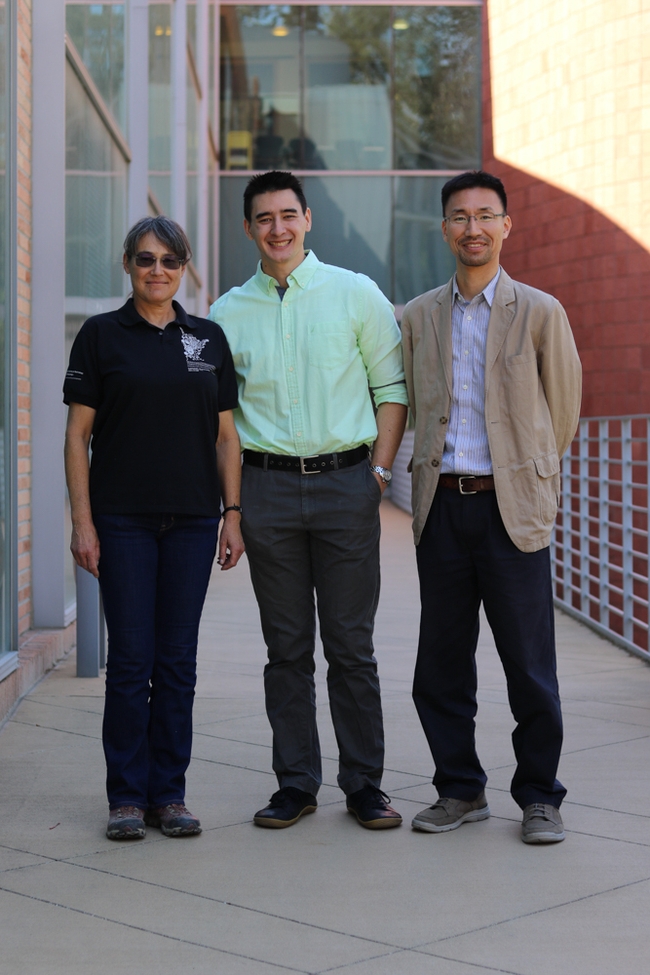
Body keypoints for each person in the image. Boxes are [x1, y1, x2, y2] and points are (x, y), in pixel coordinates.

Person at [209, 171, 408, 830]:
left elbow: (392, 390)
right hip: (266, 491)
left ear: (308, 219)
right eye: (264, 218)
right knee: (286, 649)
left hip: (346, 485)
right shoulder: (226, 314)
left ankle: (365, 785)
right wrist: (233, 509)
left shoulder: (356, 294)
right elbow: (223, 425)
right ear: (248, 228)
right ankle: (295, 783)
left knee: (351, 646)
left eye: (288, 215)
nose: (278, 229)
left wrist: (377, 476)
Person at [401, 171, 582, 844]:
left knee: (529, 665)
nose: (472, 227)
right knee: (440, 665)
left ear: (506, 225)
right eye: (459, 216)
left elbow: (562, 411)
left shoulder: (540, 311)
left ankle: (540, 795)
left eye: (485, 215)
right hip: (442, 509)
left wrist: (527, 478)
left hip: (512, 512)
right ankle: (459, 789)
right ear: (444, 228)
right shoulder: (418, 316)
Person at [64, 216, 244, 841]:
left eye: (169, 260)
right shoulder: (100, 335)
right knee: (130, 661)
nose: (157, 270)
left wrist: (232, 514)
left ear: (184, 268)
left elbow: (227, 437)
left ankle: (168, 794)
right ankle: (125, 797)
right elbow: (77, 437)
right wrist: (83, 523)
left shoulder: (208, 339)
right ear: (128, 265)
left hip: (193, 522)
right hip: (122, 522)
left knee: (176, 663)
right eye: (145, 259)